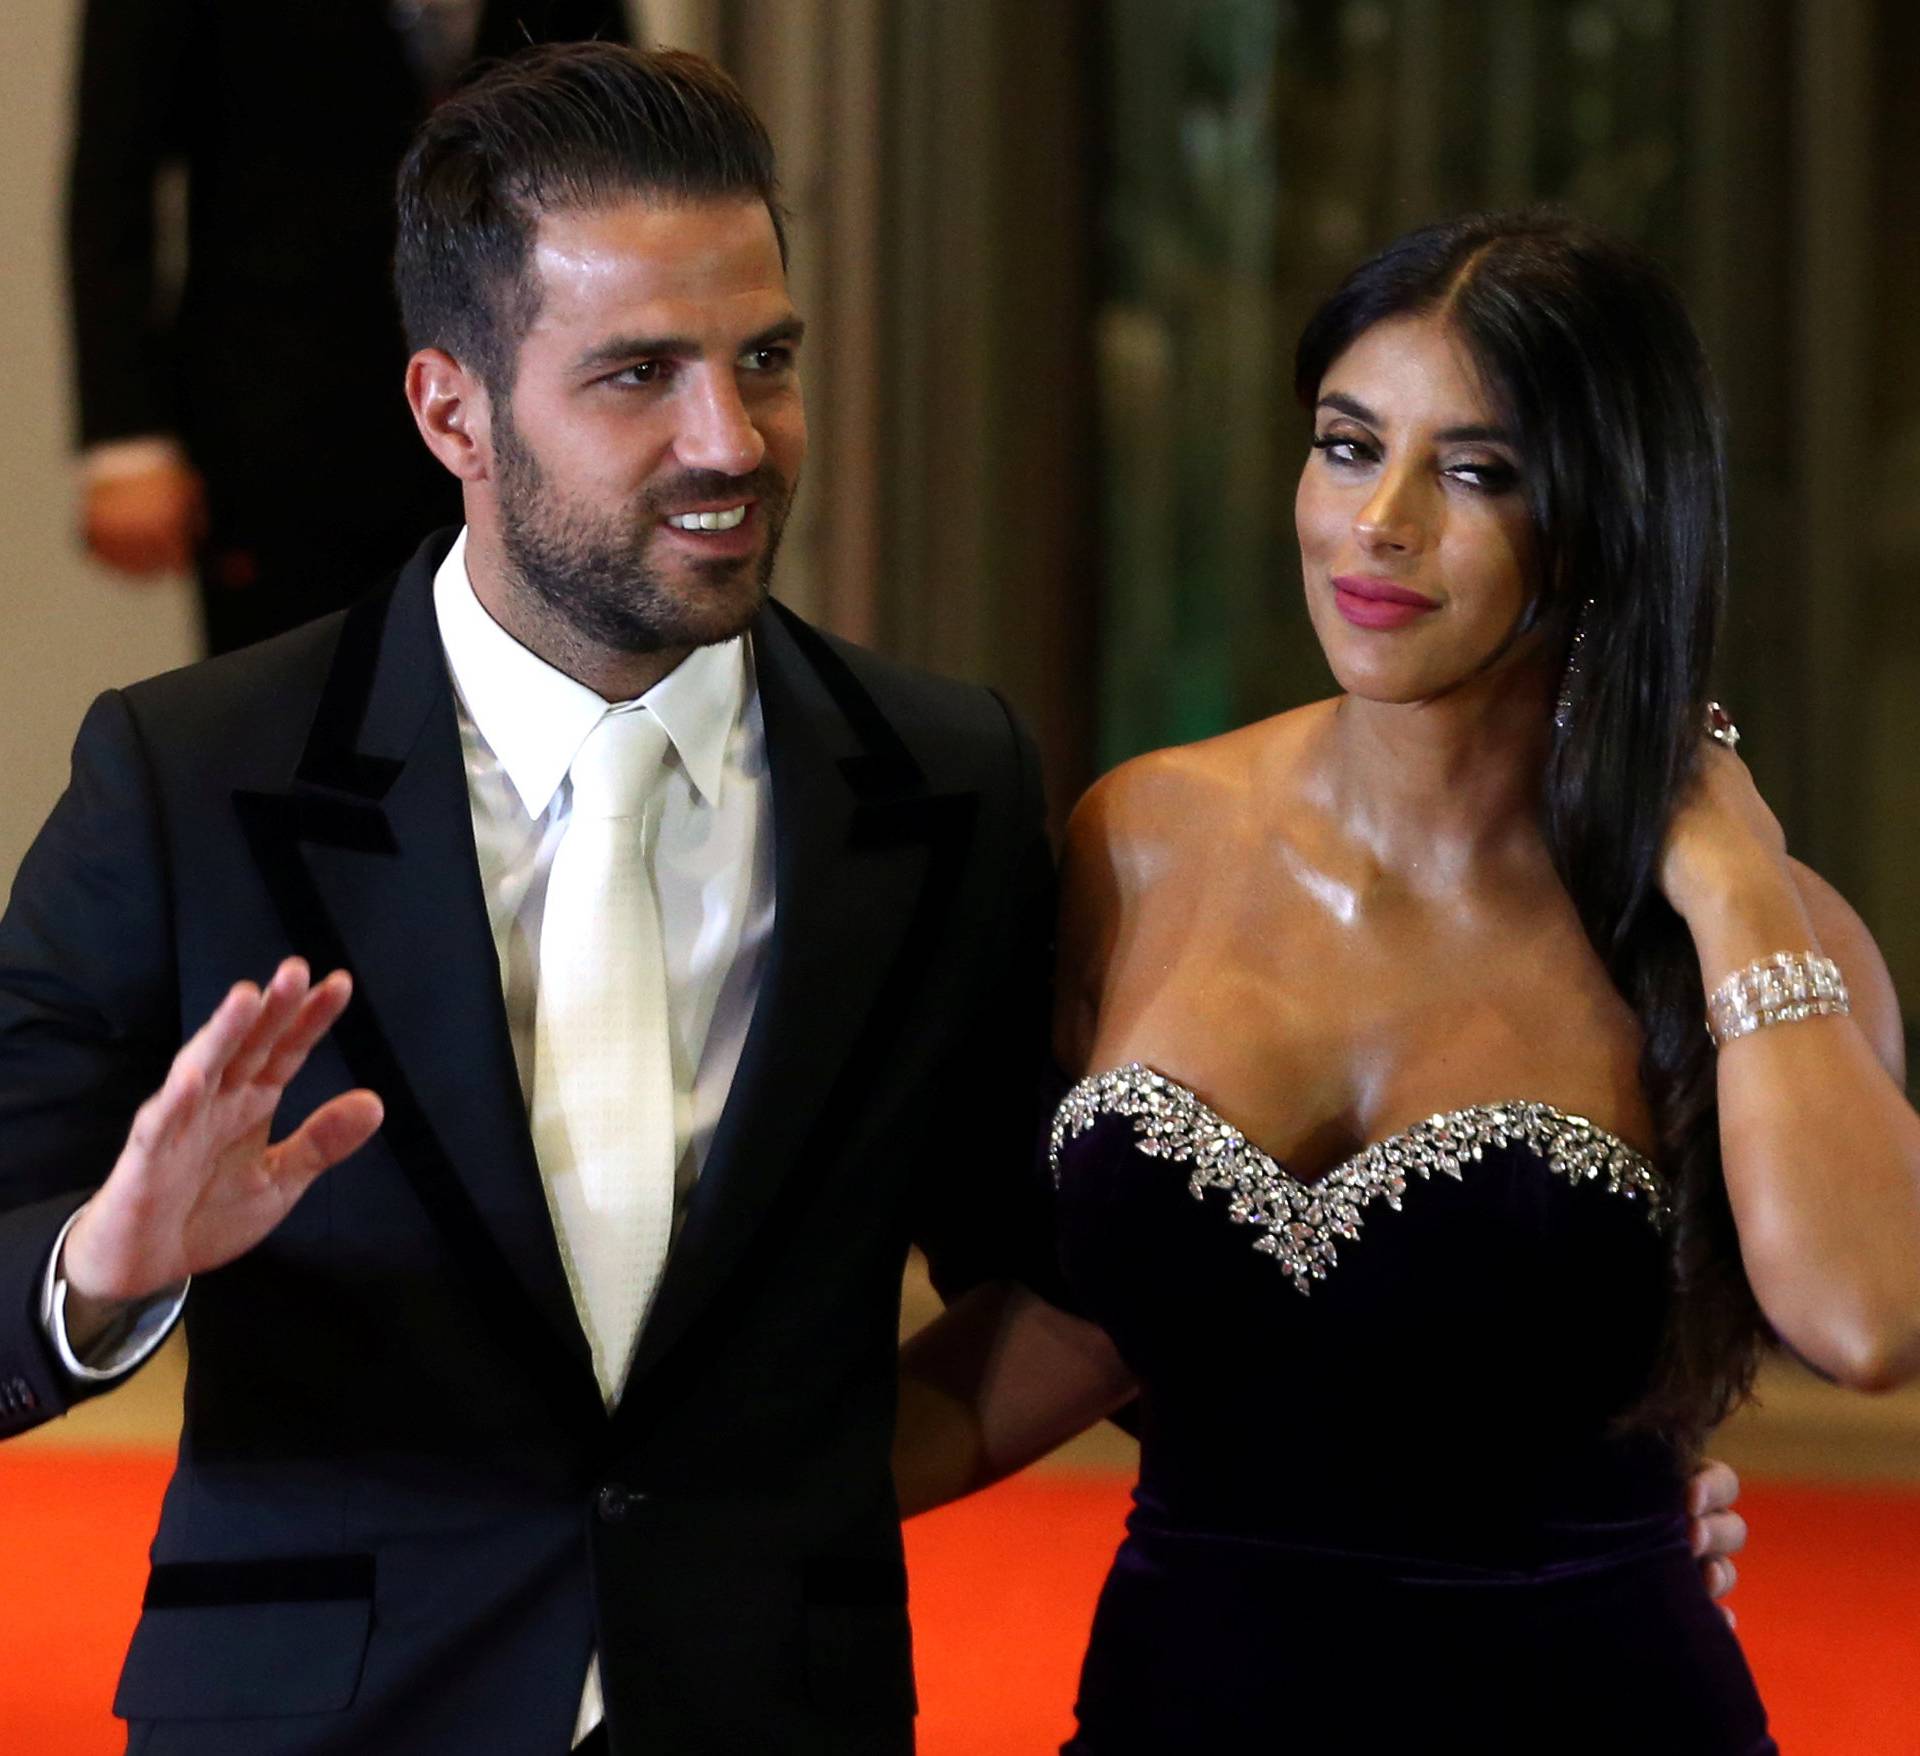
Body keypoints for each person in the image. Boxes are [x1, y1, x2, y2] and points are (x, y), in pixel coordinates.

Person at [2, 44, 1057, 1754]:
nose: (731, 440)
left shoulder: (945, 781)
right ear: (452, 412)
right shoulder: (195, 775)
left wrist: (787, 1502)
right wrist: (104, 1269)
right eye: (637, 374)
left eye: (765, 359)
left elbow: (1058, 1273)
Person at [893, 212, 1920, 1752]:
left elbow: (1871, 1320)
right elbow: (1100, 1322)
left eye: (1474, 471)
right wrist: (669, 1512)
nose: (1377, 523)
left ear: (1604, 520)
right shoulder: (1144, 836)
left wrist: (1727, 872)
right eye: (1347, 444)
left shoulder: (1757, 931)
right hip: (1176, 1706)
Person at [67, 0, 631, 655]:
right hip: (280, 418)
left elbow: (618, 137)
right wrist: (127, 438)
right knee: (296, 719)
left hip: (523, 396)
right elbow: (113, 179)